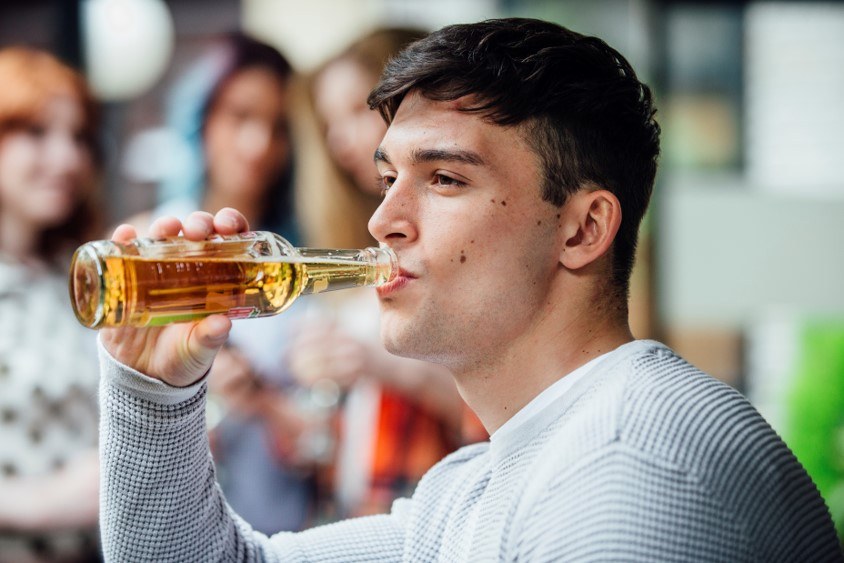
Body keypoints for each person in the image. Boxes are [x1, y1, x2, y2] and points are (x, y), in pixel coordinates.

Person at [96, 18, 841, 561]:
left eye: (445, 178)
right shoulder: (477, 487)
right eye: (389, 179)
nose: (384, 218)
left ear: (582, 230)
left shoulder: (628, 472)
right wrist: (150, 388)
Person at [289, 27, 481, 519]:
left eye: (357, 109)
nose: (339, 139)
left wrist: (379, 364)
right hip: (356, 503)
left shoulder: (454, 243)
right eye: (330, 122)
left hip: (432, 500)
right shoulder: (359, 237)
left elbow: (499, 408)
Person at [126, 32, 314, 534]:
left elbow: (319, 441)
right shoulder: (144, 248)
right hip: (169, 522)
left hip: (277, 526)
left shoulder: (297, 259)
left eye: (278, 127)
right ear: (202, 117)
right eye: (240, 116)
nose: (260, 145)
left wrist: (262, 399)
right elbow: (108, 408)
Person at [0, 47, 102, 562]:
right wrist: (41, 504)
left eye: (78, 137)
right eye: (38, 133)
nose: (67, 159)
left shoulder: (77, 274)